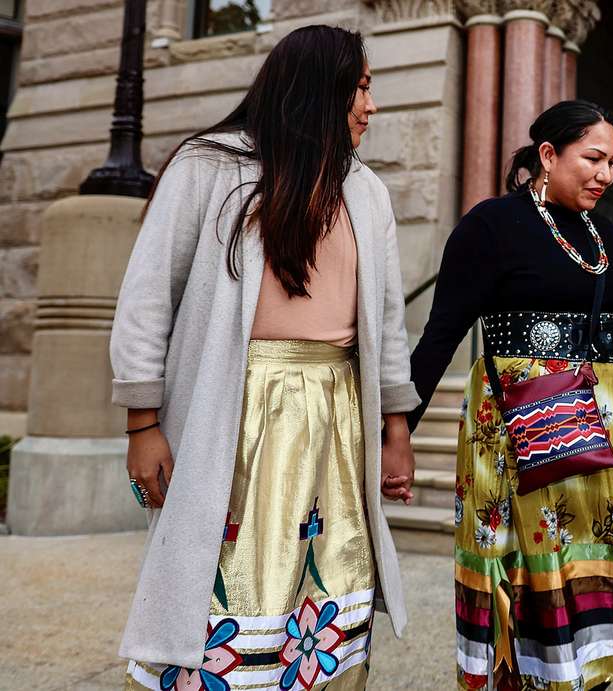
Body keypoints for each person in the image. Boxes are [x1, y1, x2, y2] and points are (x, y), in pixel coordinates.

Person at [113, 25, 418, 690]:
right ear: (318, 90)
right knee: (227, 589)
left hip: (337, 418)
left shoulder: (365, 191)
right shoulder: (210, 166)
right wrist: (142, 423)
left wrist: (396, 429)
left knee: (332, 590)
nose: (371, 105)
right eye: (360, 88)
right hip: (238, 415)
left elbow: (387, 323)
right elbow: (146, 296)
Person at [404, 100, 613, 690]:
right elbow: (440, 334)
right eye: (594, 158)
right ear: (548, 155)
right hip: (519, 432)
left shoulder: (607, 236)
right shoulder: (491, 225)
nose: (606, 174)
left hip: (608, 435)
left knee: (593, 586)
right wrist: (396, 432)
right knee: (521, 592)